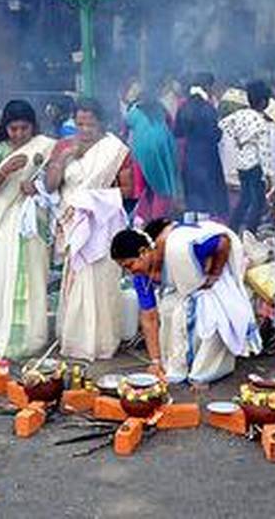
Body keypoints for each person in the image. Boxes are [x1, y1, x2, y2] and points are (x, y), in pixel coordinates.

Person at [110, 218, 262, 385]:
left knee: (207, 317)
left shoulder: (179, 248)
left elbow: (223, 241)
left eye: (130, 265)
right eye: (124, 268)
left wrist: (214, 273)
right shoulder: (140, 277)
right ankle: (177, 366)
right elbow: (149, 317)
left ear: (144, 252)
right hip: (185, 288)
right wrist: (155, 361)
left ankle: (204, 371)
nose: (130, 271)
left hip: (212, 282)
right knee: (169, 311)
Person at [44, 98, 132, 361]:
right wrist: (62, 160)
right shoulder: (63, 146)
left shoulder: (115, 150)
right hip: (73, 222)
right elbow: (50, 186)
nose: (84, 130)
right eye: (79, 124)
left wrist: (93, 200)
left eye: (90, 124)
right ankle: (75, 340)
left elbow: (127, 190)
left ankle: (102, 342)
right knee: (76, 278)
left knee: (101, 279)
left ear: (102, 123)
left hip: (102, 223)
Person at [0, 101, 56, 358]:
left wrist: (37, 188)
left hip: (32, 222)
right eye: (13, 128)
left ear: (33, 127)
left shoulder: (45, 146)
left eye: (24, 128)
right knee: (2, 274)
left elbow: (54, 181)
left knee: (33, 275)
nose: (18, 134)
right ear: (5, 127)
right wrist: (4, 170)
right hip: (4, 222)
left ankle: (34, 336)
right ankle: (2, 331)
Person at [219, 80, 272, 235]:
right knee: (259, 201)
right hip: (255, 165)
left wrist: (238, 139)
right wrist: (268, 174)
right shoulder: (262, 123)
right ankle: (250, 231)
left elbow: (222, 125)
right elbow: (264, 151)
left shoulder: (239, 115)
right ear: (263, 102)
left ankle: (233, 228)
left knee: (245, 199)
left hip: (241, 163)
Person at [173, 75, 228, 221]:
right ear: (207, 87)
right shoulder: (208, 108)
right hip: (208, 157)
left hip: (190, 156)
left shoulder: (183, 107)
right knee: (207, 196)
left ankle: (189, 228)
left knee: (191, 195)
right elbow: (215, 135)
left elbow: (177, 132)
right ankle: (205, 229)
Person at [124, 94, 180, 222]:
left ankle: (142, 219)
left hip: (142, 150)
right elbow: (171, 125)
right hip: (164, 147)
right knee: (162, 185)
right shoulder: (161, 109)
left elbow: (125, 129)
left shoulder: (134, 111)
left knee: (141, 187)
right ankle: (158, 219)